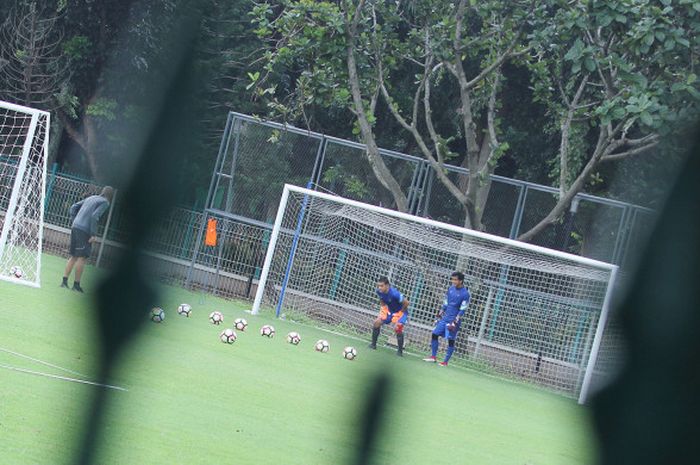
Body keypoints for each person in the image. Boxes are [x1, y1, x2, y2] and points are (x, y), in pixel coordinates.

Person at [61, 186, 114, 292]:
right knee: (82, 257)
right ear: (110, 196)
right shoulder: (105, 202)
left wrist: (75, 220)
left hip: (75, 227)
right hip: (84, 231)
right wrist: (93, 234)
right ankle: (76, 285)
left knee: (74, 256)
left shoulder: (91, 198)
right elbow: (94, 216)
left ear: (102, 192)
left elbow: (73, 207)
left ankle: (64, 282)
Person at [423, 271, 470, 366]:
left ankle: (445, 362)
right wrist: (441, 311)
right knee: (435, 334)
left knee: (450, 340)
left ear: (461, 281)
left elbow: (463, 308)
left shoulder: (465, 293)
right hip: (445, 317)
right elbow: (446, 302)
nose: (453, 281)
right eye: (452, 279)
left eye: (455, 279)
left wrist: (456, 319)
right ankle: (433, 357)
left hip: (454, 320)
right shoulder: (451, 289)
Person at [369, 276, 409, 356]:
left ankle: (400, 351)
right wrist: (383, 309)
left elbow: (406, 303)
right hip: (390, 311)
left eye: (382, 286)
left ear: (387, 285)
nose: (379, 288)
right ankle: (373, 345)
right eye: (378, 286)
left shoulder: (395, 294)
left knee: (398, 328)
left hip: (401, 312)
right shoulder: (379, 291)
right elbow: (382, 299)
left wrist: (400, 313)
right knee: (376, 322)